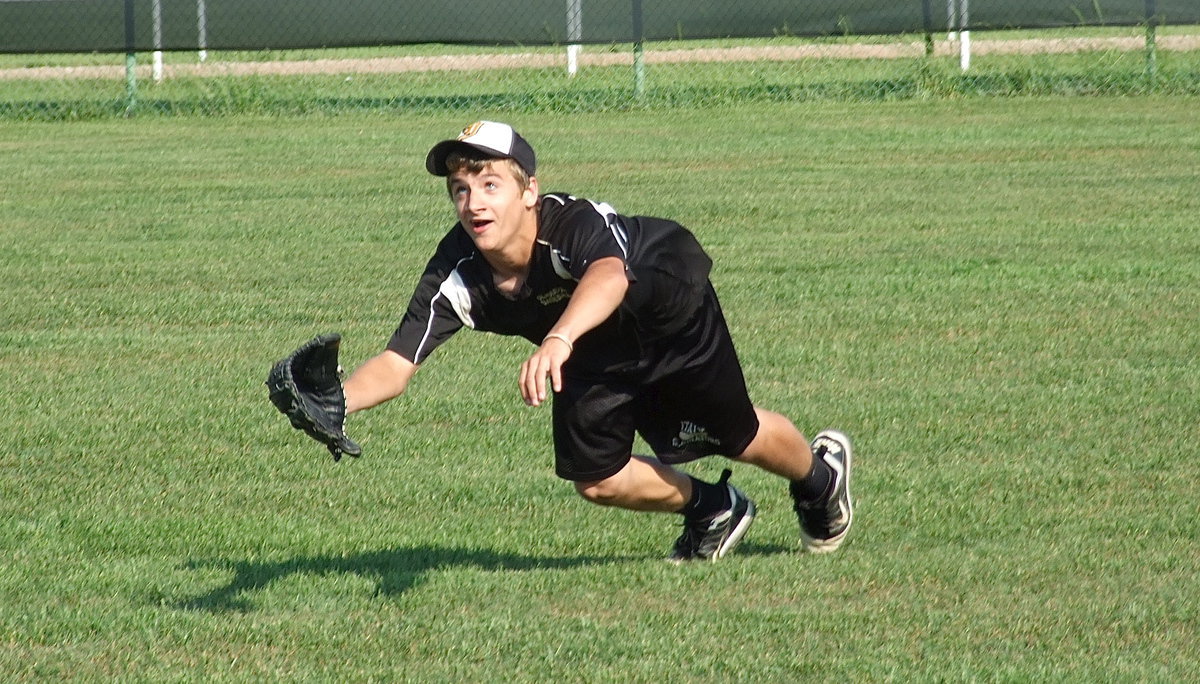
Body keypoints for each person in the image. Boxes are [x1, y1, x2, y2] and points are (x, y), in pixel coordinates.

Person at [342, 120, 854, 562]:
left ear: (528, 192)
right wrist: (335, 401)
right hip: (587, 347)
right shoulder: (457, 269)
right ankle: (714, 509)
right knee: (597, 477)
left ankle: (818, 480)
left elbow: (609, 275)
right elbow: (396, 362)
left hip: (667, 313)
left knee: (733, 435)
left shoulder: (569, 222)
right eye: (460, 188)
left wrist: (559, 336)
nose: (473, 202)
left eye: (490, 185)